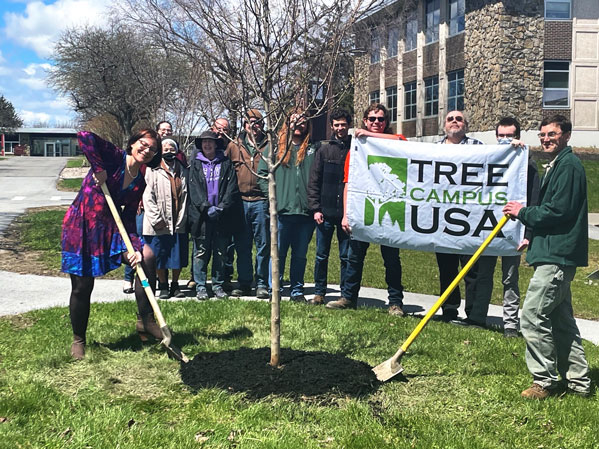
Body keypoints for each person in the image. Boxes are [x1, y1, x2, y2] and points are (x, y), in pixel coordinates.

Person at [503, 114, 591, 399]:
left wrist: (522, 212)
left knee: (531, 315)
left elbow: (558, 211)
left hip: (558, 255)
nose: (546, 139)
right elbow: (556, 212)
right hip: (554, 252)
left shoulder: (568, 167)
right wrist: (531, 235)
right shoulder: (560, 166)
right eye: (542, 135)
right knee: (561, 321)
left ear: (566, 135)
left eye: (551, 134)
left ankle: (545, 381)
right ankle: (579, 382)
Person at [61, 129, 162, 360]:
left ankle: (145, 320)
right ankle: (79, 339)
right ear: (133, 143)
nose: (146, 151)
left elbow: (128, 218)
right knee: (82, 286)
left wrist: (134, 246)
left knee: (146, 257)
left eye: (152, 149)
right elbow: (85, 136)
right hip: (82, 227)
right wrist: (99, 168)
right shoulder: (114, 157)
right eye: (143, 145)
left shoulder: (140, 181)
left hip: (112, 230)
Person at [327, 103, 405, 315]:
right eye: (372, 119)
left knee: (391, 259)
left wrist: (369, 136)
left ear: (386, 122)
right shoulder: (357, 147)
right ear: (365, 121)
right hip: (363, 208)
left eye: (380, 119)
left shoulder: (395, 142)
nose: (376, 123)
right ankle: (349, 297)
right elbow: (348, 182)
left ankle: (395, 302)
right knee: (354, 257)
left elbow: (400, 140)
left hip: (390, 208)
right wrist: (345, 214)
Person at [474, 117, 540, 336]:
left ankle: (510, 324)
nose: (504, 140)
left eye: (509, 136)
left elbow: (533, 199)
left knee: (510, 278)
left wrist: (528, 233)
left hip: (513, 230)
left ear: (517, 136)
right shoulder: (489, 157)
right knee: (484, 274)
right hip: (488, 227)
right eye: (500, 136)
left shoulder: (527, 163)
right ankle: (477, 317)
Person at [258, 111, 316, 302]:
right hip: (281, 212)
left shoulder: (313, 150)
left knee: (300, 255)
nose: (299, 123)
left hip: (305, 213)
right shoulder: (275, 149)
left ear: (307, 125)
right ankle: (274, 287)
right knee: (278, 253)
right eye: (294, 120)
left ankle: (297, 291)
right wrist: (273, 199)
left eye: (303, 121)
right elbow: (263, 174)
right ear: (287, 123)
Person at [434, 110, 483, 324]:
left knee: (472, 269)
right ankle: (449, 310)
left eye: (459, 119)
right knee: (446, 268)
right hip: (442, 218)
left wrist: (515, 146)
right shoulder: (432, 149)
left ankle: (473, 313)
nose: (454, 122)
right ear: (444, 125)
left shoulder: (478, 147)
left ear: (466, 125)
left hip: (470, 218)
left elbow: (502, 157)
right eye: (450, 119)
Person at [188, 130, 242, 300]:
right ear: (201, 145)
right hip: (201, 217)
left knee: (220, 252)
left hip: (221, 216)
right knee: (201, 252)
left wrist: (222, 207)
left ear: (216, 144)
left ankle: (218, 285)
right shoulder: (196, 164)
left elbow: (231, 188)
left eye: (210, 142)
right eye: (204, 142)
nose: (207, 144)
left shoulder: (225, 163)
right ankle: (201, 286)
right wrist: (205, 207)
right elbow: (194, 189)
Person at [307, 109, 352, 305]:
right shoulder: (323, 150)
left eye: (343, 124)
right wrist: (315, 208)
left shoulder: (355, 148)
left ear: (348, 125)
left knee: (346, 256)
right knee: (321, 255)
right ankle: (319, 292)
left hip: (345, 214)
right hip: (324, 213)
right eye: (337, 125)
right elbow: (314, 181)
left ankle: (345, 293)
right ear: (332, 127)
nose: (340, 128)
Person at [226, 109, 270, 299]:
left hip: (262, 201)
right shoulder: (234, 146)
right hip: (241, 201)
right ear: (244, 125)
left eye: (257, 122)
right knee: (242, 245)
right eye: (249, 122)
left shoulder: (271, 145)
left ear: (262, 124)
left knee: (263, 244)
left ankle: (261, 282)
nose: (253, 125)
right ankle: (244, 282)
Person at [143, 138, 189, 299]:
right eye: (165, 148)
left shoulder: (183, 169)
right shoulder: (152, 169)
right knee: (160, 254)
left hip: (178, 219)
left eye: (172, 148)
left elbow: (185, 196)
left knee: (177, 255)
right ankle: (163, 285)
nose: (169, 150)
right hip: (158, 220)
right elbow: (148, 197)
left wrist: (183, 217)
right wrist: (156, 218)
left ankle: (175, 285)